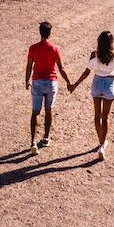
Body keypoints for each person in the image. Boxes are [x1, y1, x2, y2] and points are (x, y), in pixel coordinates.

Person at [70, 31, 114, 159]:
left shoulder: (94, 55)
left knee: (97, 115)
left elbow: (87, 72)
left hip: (97, 83)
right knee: (105, 117)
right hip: (109, 84)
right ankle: (102, 146)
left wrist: (75, 84)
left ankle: (101, 142)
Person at [25, 21, 74, 156]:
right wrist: (69, 82)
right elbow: (61, 68)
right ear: (50, 33)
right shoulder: (54, 49)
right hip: (51, 82)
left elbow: (29, 66)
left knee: (35, 112)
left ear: (40, 32)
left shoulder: (33, 48)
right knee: (48, 110)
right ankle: (46, 138)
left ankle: (33, 142)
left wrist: (26, 80)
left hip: (37, 82)